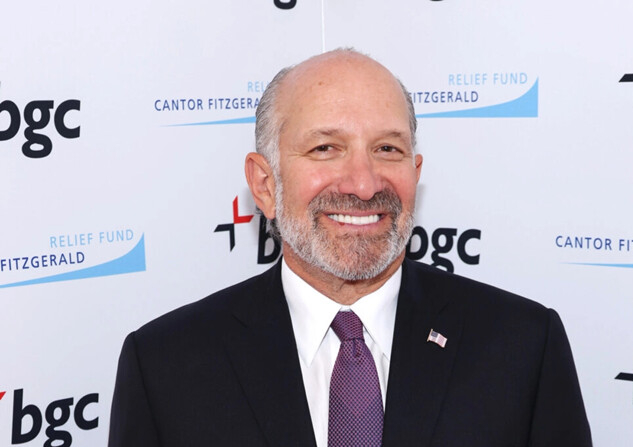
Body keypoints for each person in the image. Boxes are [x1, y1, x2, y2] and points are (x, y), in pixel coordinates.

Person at [109, 49, 593, 447]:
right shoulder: (164, 366)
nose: (364, 184)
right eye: (325, 148)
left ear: (415, 173)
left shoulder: (524, 346)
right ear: (264, 184)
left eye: (388, 149)